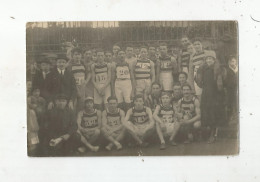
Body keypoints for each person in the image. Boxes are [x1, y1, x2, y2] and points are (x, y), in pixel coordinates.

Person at [196, 50, 224, 143]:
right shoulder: (202, 69)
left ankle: (213, 134)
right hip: (206, 94)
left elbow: (220, 85)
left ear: (214, 60)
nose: (209, 60)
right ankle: (206, 134)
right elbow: (199, 81)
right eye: (207, 58)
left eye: (211, 59)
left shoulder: (218, 69)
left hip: (215, 94)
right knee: (205, 112)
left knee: (213, 113)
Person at [224, 55, 238, 123]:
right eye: (230, 61)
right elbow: (225, 81)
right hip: (230, 90)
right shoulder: (226, 70)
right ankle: (230, 119)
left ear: (236, 62)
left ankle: (236, 117)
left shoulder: (238, 69)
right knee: (230, 104)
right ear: (228, 62)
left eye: (233, 61)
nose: (232, 63)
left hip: (237, 90)